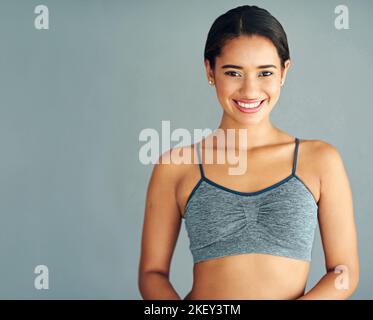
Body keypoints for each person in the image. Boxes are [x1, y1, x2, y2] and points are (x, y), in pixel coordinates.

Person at [138, 5, 359, 300]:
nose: (250, 90)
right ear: (210, 71)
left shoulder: (320, 160)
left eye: (265, 72)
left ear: (284, 72)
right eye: (233, 72)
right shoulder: (176, 166)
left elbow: (344, 272)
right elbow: (152, 274)